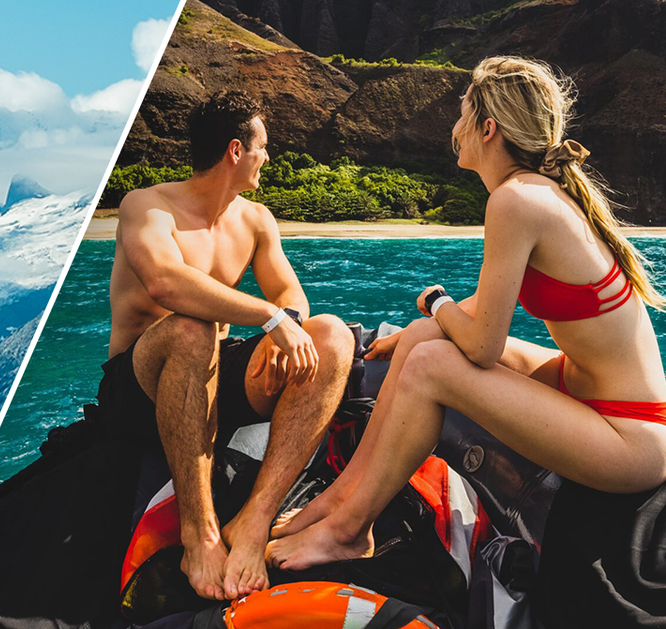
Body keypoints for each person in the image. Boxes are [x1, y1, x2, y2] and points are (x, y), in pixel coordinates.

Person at [265, 56, 666, 572]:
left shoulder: (515, 201)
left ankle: (348, 531)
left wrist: (436, 303)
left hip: (631, 433)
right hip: (589, 387)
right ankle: (338, 500)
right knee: (423, 341)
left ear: (487, 128)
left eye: (461, 115)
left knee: (434, 364)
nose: (454, 129)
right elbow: (489, 304)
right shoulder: (534, 194)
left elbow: (481, 347)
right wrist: (423, 325)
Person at [103, 89, 355, 601]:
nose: (269, 157)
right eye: (264, 146)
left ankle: (252, 522)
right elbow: (164, 283)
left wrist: (288, 323)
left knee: (329, 334)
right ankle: (201, 535)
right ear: (236, 150)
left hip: (216, 375)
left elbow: (292, 297)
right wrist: (268, 317)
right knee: (191, 328)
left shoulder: (256, 219)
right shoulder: (146, 206)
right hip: (140, 383)